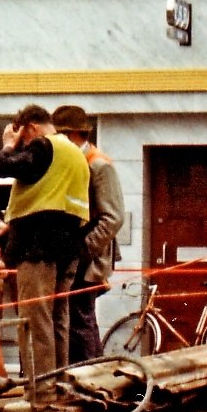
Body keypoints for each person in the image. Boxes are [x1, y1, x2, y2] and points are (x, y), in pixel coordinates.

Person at [0, 104, 89, 403]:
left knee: (33, 320)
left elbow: (3, 167)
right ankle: (57, 387)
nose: (22, 145)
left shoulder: (43, 145)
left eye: (22, 138)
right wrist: (10, 224)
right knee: (57, 320)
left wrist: (8, 144)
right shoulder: (74, 154)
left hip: (37, 248)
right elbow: (48, 197)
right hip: (67, 246)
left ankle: (39, 393)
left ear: (29, 127)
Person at [51, 104, 128, 364]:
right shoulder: (80, 161)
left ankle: (90, 373)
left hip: (89, 259)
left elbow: (113, 217)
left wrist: (83, 250)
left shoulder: (98, 165)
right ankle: (95, 372)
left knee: (80, 320)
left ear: (73, 134)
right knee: (81, 319)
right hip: (83, 254)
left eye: (61, 135)